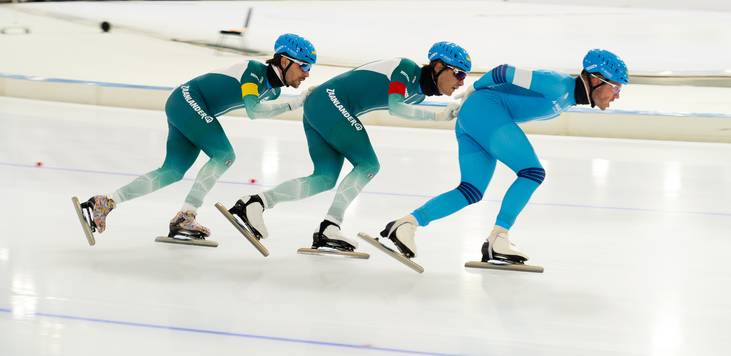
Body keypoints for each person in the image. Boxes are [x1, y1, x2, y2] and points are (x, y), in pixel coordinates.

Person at [377, 49, 629, 265]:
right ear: (596, 80)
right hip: (483, 111)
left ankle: (406, 224)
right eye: (615, 87)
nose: (617, 94)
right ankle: (499, 238)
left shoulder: (567, 98)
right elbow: (504, 71)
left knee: (470, 191)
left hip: (477, 117)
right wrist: (473, 88)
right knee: (532, 172)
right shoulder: (557, 84)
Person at [220, 42, 472, 253]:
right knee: (369, 165)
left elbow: (393, 103)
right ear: (438, 67)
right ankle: (330, 225)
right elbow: (396, 107)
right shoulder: (406, 69)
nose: (461, 82)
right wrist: (439, 117)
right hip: (330, 104)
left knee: (324, 178)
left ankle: (255, 203)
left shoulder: (418, 93)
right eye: (459, 74)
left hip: (323, 107)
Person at [73, 34, 317, 246]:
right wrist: (298, 102)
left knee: (172, 171)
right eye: (304, 66)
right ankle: (187, 215)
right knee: (224, 155)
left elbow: (260, 109)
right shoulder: (254, 71)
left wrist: (296, 102)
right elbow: (254, 111)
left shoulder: (273, 90)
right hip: (188, 100)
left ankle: (105, 202)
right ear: (285, 61)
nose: (307, 74)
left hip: (187, 105)